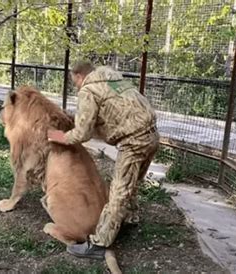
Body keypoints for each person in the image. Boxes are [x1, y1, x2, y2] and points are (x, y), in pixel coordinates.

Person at [47, 60, 159, 259]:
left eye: (75, 82)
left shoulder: (88, 90)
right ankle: (130, 218)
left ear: (80, 76)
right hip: (152, 136)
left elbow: (82, 133)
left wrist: (58, 136)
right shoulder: (112, 77)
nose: (77, 86)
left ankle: (99, 244)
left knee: (119, 191)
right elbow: (109, 112)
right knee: (132, 182)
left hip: (134, 142)